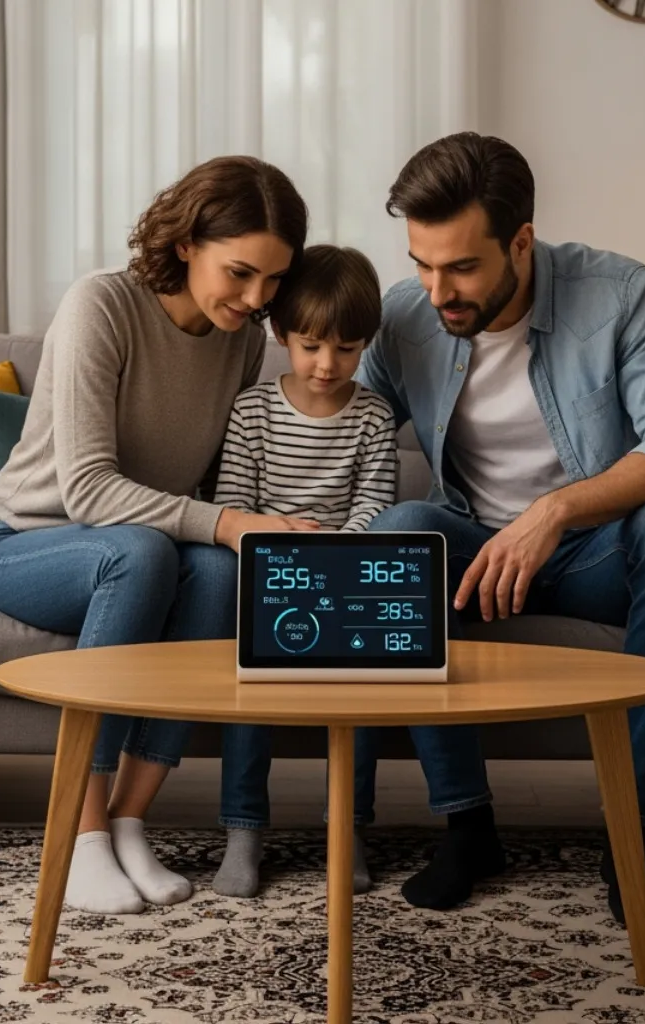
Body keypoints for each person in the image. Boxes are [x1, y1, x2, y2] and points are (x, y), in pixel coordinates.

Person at [353, 132, 645, 922]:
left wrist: (553, 512)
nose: (436, 288)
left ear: (521, 241)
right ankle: (466, 825)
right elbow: (343, 427)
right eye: (421, 262)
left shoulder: (621, 295)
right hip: (472, 553)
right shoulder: (405, 315)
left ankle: (632, 837)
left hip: (596, 551)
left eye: (461, 267)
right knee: (401, 530)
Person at [0, 155, 322, 915]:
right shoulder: (102, 305)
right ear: (188, 240)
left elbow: (206, 484)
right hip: (32, 543)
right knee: (143, 552)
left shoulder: (237, 340)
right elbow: (88, 490)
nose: (255, 298)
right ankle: (79, 833)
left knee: (225, 575)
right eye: (239, 273)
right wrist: (232, 525)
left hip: (144, 551)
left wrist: (272, 529)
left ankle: (131, 819)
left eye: (272, 281)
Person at [208, 244, 399, 898]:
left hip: (342, 577)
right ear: (281, 334)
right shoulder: (252, 411)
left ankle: (347, 827)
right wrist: (279, 553)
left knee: (364, 691)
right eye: (313, 345)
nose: (327, 364)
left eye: (347, 349)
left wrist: (335, 556)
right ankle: (243, 829)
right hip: (266, 575)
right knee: (248, 692)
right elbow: (232, 502)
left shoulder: (373, 416)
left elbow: (377, 505)